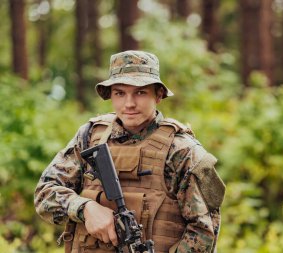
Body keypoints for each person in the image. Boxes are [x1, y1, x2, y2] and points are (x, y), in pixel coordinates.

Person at [34, 50, 225, 253]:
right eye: (120, 93)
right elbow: (45, 193)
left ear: (158, 95)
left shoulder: (182, 151)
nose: (129, 104)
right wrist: (86, 209)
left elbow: (204, 231)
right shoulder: (90, 137)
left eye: (140, 92)